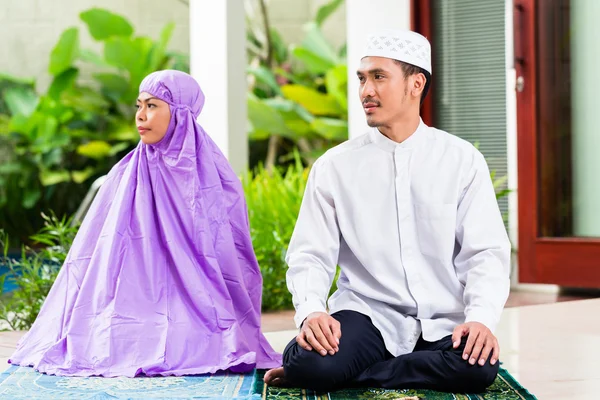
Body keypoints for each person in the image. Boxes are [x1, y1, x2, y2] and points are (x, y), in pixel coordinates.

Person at [264, 29, 511, 393]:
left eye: (379, 77)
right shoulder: (335, 167)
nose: (366, 91)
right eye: (362, 79)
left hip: (443, 320)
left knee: (478, 368)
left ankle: (363, 372)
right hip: (367, 315)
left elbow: (485, 253)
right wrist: (312, 311)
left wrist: (480, 319)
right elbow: (310, 254)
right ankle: (354, 365)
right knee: (311, 363)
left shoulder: (461, 161)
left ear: (416, 84)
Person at [9, 70, 281, 377]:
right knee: (117, 339)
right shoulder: (126, 174)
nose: (140, 116)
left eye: (152, 106)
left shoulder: (215, 176)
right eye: (139, 106)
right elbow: (104, 257)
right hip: (132, 304)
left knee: (196, 339)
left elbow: (229, 254)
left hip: (200, 307)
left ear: (179, 113)